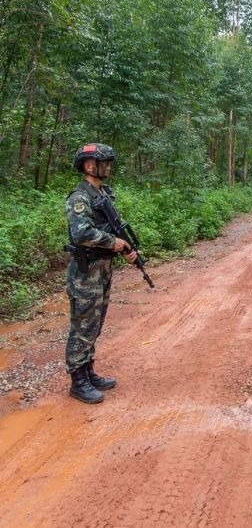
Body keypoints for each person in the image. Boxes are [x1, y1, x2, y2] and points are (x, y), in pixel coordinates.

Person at [64, 143, 139, 404]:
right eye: (102, 163)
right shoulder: (79, 198)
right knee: (83, 325)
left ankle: (88, 372)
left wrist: (126, 248)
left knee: (95, 324)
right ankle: (77, 382)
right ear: (88, 165)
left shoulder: (104, 194)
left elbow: (113, 228)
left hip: (103, 269)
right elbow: (81, 233)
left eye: (108, 163)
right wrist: (113, 242)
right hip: (85, 272)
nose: (107, 167)